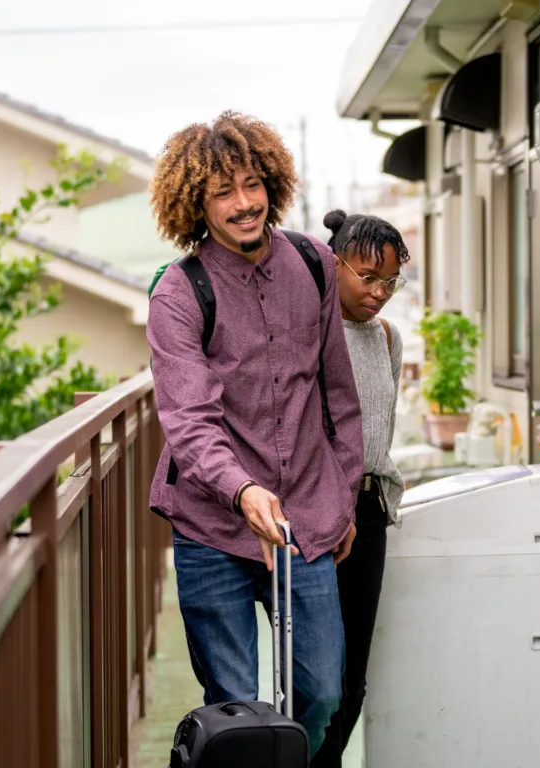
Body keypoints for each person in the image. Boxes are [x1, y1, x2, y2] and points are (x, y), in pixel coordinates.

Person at [146, 111, 364, 759]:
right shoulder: (179, 295)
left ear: (270, 181)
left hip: (305, 518)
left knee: (324, 690)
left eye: (250, 184)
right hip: (211, 526)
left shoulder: (313, 263)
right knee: (233, 706)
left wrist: (342, 496)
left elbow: (339, 395)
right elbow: (189, 420)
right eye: (222, 192)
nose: (243, 204)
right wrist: (242, 491)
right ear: (196, 204)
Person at [311, 209, 409, 767]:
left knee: (353, 678)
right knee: (316, 674)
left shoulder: (388, 337)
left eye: (389, 281)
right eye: (367, 277)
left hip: (368, 509)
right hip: (318, 511)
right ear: (336, 262)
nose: (378, 293)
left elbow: (380, 423)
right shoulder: (311, 330)